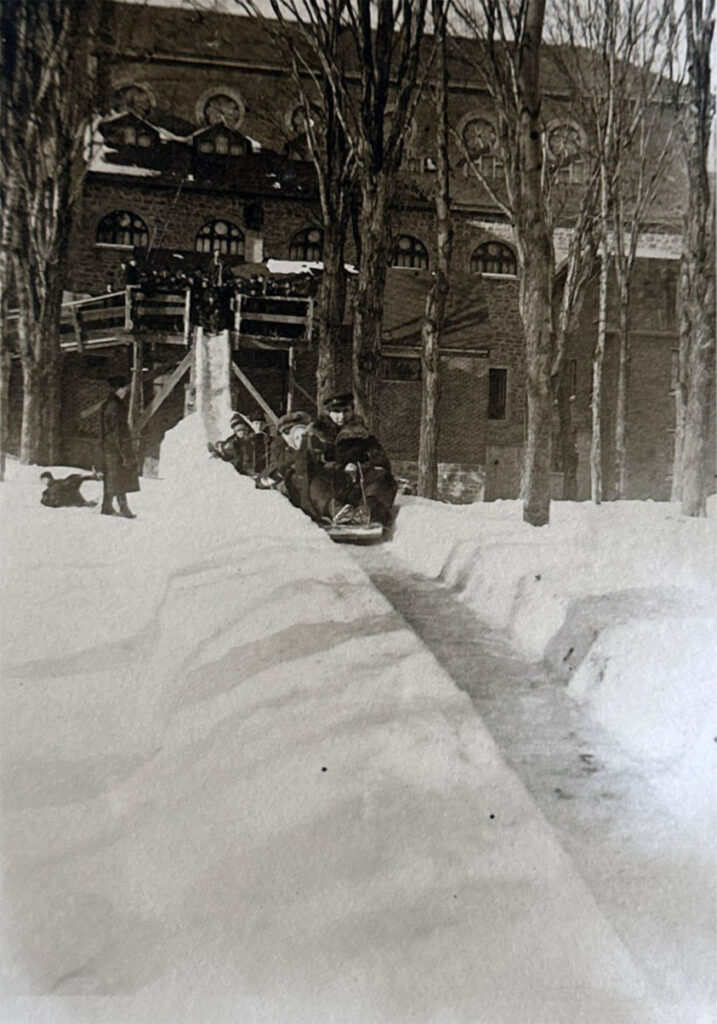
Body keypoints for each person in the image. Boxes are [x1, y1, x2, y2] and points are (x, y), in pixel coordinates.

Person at [258, 410, 315, 515]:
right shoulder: (280, 447)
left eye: (297, 430)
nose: (292, 436)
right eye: (287, 432)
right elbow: (274, 467)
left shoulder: (313, 446)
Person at [99, 376, 140, 517]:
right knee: (119, 477)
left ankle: (107, 506)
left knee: (112, 476)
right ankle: (124, 508)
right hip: (115, 447)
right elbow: (117, 432)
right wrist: (124, 452)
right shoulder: (115, 407)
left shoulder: (109, 404)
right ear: (117, 390)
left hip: (109, 447)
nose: (125, 392)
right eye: (123, 389)